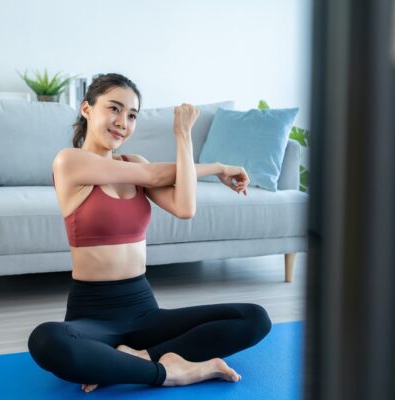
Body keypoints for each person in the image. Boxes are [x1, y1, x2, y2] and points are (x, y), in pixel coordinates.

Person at [27, 73, 272, 392]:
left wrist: (184, 135)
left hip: (143, 310)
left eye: (131, 115)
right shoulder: (69, 161)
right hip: (92, 315)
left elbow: (185, 208)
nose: (122, 122)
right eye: (114, 109)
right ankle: (171, 373)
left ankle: (140, 358)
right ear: (87, 109)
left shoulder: (135, 162)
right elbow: (154, 173)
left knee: (253, 318)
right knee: (47, 340)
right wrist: (218, 167)